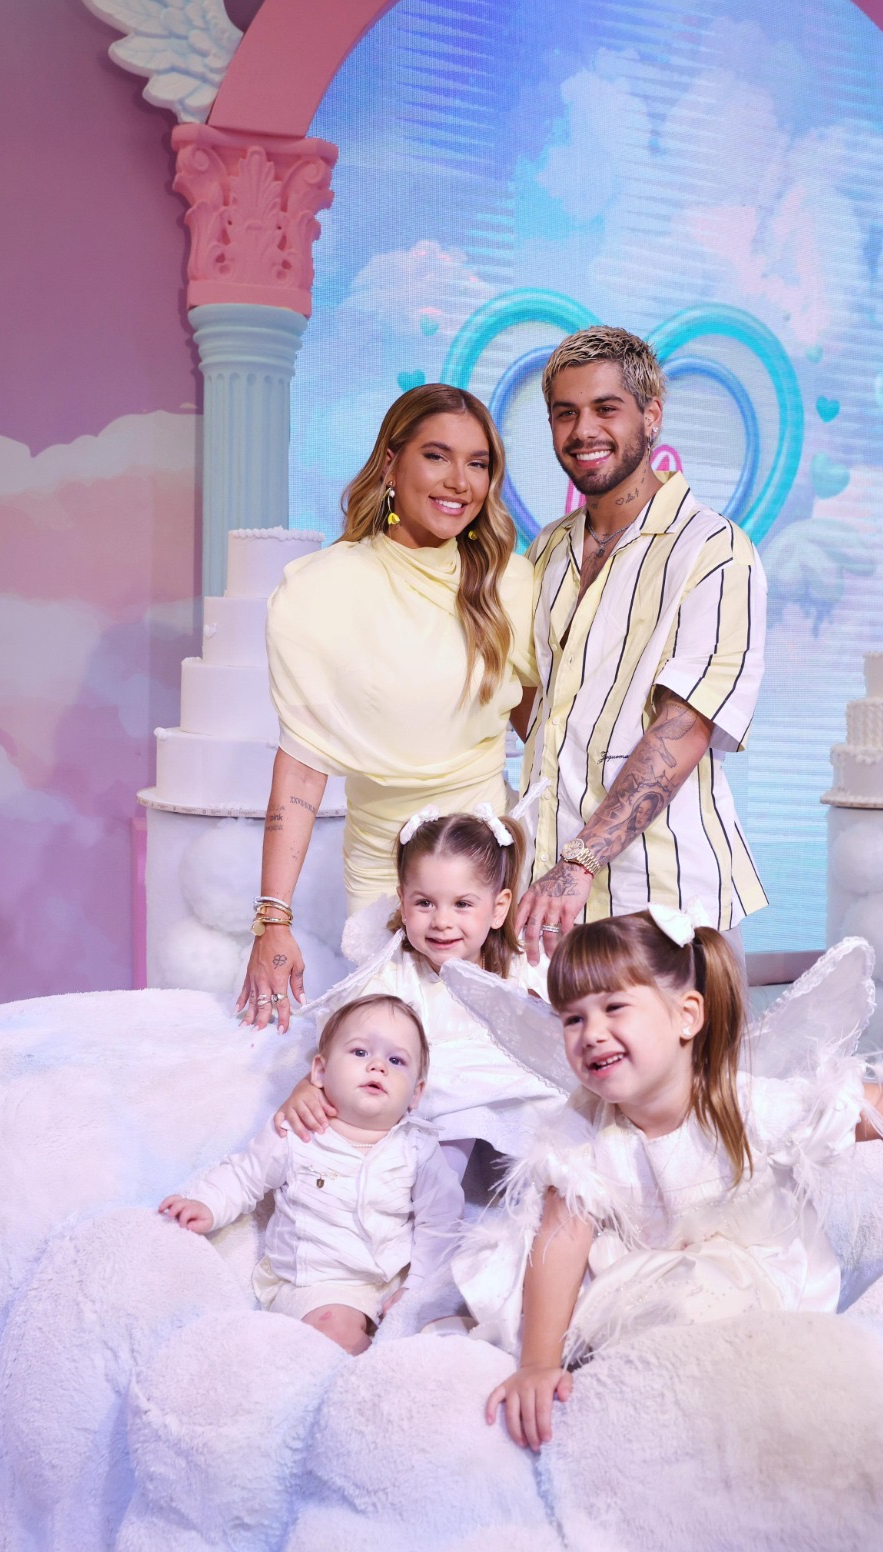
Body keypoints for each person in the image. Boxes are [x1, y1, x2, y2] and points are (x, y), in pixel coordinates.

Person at [450, 908, 883, 1451]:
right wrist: (539, 1362)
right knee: (526, 1296)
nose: (590, 1033)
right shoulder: (584, 1129)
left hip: (748, 1269)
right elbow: (562, 1236)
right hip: (638, 1266)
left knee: (695, 1314)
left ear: (686, 1016)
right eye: (573, 1018)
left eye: (614, 1008)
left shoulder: (747, 1103)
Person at [241, 384, 537, 1030]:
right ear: (391, 463)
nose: (459, 480)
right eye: (437, 456)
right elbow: (302, 767)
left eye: (478, 463)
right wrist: (273, 920)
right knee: (390, 1047)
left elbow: (543, 738)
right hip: (384, 869)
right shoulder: (323, 589)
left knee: (491, 1052)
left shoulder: (510, 585)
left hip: (487, 872)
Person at [512, 327, 767, 969]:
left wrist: (580, 860)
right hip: (549, 902)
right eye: (565, 413)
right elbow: (534, 709)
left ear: (652, 416)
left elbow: (684, 727)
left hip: (666, 896)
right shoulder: (545, 550)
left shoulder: (714, 549)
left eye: (606, 408)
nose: (583, 431)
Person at [159, 994, 463, 1355]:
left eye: (396, 1060)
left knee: (443, 1326)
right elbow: (245, 1174)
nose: (377, 1066)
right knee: (334, 1331)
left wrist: (417, 1286)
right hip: (315, 1282)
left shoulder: (418, 1147)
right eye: (360, 1052)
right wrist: (207, 1204)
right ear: (320, 1071)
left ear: (416, 1093)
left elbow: (440, 1220)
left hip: (392, 1280)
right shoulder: (299, 1131)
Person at [273, 808, 566, 1182]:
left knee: (558, 1109)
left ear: (498, 908)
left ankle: (535, 1190)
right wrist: (311, 1084)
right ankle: (422, 1191)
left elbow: (560, 1038)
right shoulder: (393, 974)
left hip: (506, 1101)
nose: (441, 922)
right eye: (424, 903)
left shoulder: (521, 968)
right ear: (403, 901)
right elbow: (351, 1038)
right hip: (433, 1107)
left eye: (462, 904)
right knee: (415, 1097)